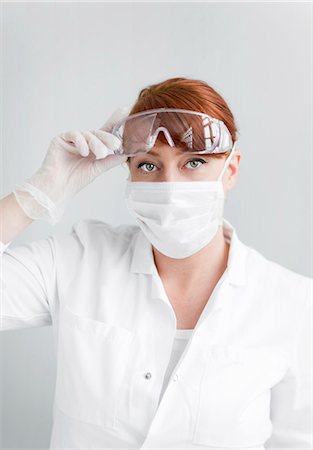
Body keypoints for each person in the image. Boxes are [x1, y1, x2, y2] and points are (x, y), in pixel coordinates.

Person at [0, 77, 312, 450]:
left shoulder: (294, 304)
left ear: (230, 170)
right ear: (128, 173)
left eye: (193, 162)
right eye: (149, 166)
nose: (170, 184)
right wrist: (39, 193)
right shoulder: (79, 259)